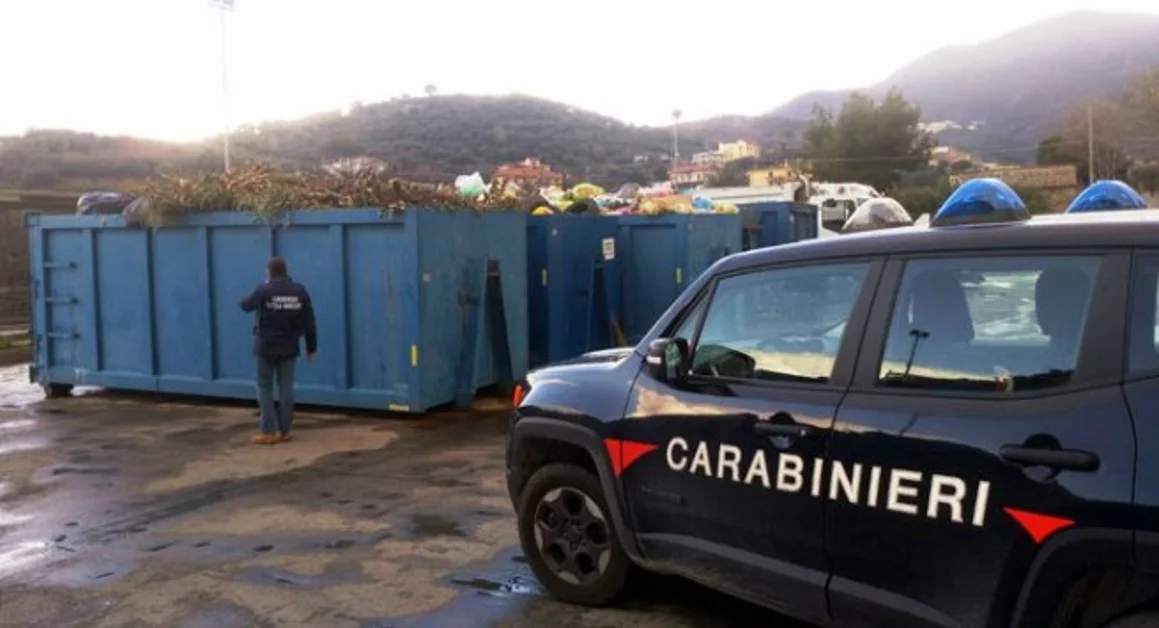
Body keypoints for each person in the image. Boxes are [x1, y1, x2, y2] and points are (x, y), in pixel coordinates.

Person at [240, 257, 317, 445]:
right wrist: (311, 347)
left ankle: (268, 431)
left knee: (264, 385)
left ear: (269, 272)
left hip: (266, 346)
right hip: (290, 346)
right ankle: (284, 430)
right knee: (286, 387)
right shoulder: (299, 291)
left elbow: (245, 305)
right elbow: (309, 321)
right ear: (285, 271)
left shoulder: (263, 290)